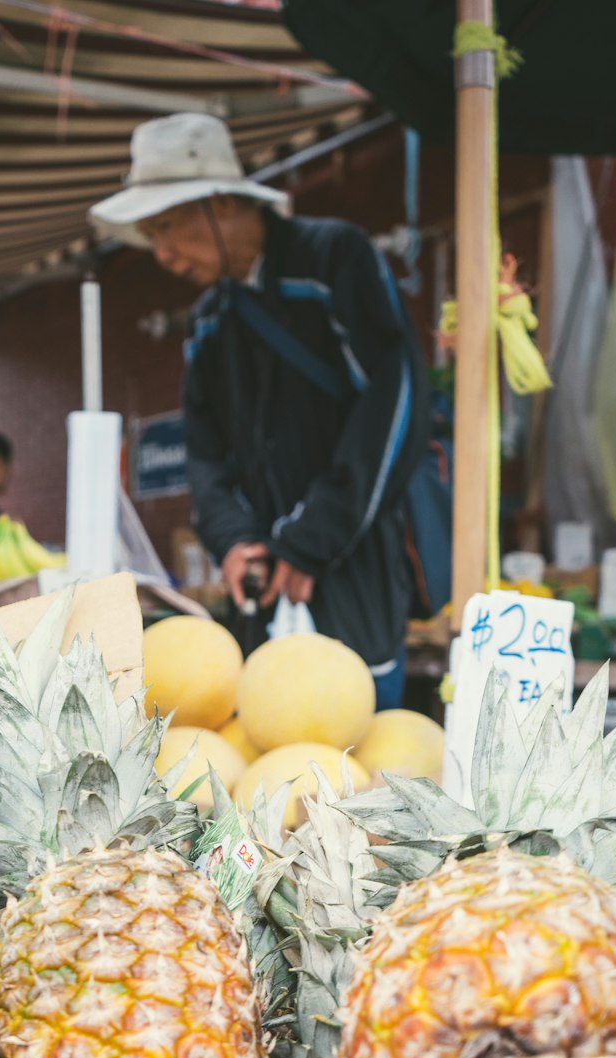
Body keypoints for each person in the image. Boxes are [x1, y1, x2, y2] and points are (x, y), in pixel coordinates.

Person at [90, 114, 429, 709]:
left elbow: (392, 406)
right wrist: (232, 540)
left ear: (223, 203)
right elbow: (205, 452)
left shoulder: (333, 259)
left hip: (351, 558)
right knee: (266, 749)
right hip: (258, 579)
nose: (162, 255)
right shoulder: (207, 320)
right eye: (150, 235)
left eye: (167, 226)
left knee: (364, 744)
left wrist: (310, 541)